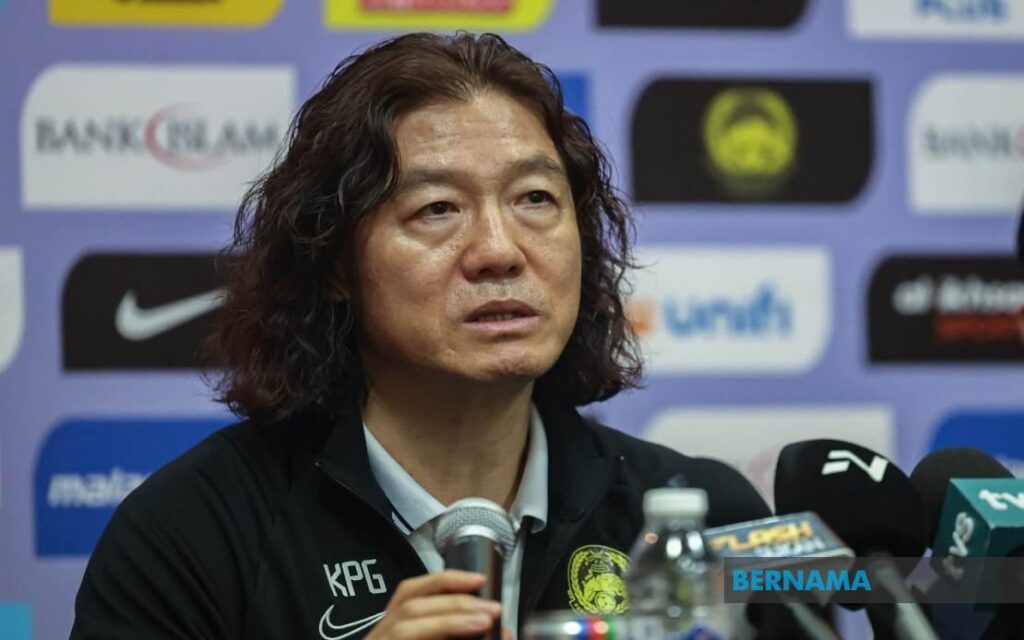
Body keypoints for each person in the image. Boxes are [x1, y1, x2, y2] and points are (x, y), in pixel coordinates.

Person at [70, 32, 770, 640]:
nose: (499, 250)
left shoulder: (704, 521)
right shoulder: (193, 534)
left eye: (535, 199)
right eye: (437, 208)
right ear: (335, 264)